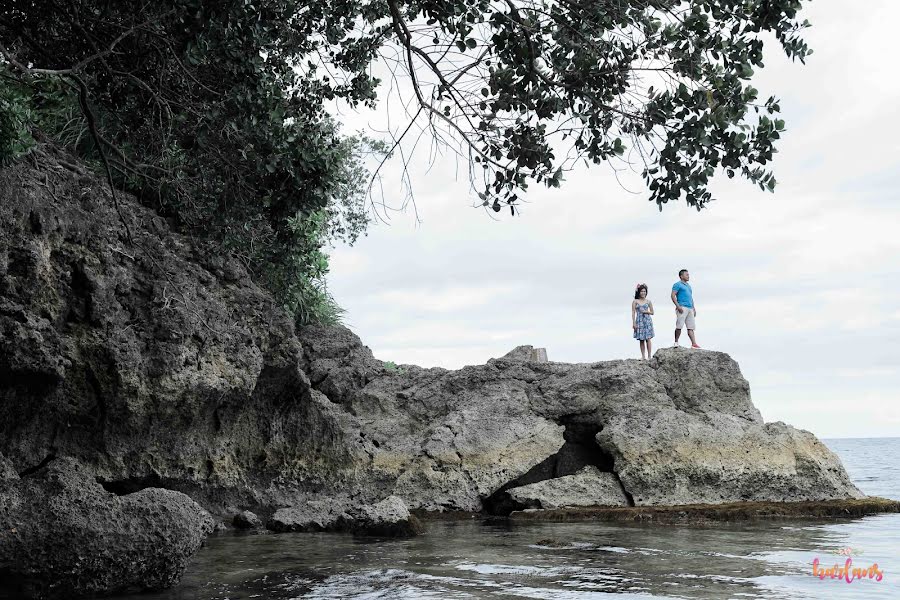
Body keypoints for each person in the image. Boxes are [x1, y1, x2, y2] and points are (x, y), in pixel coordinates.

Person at [671, 269, 700, 348]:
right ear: (681, 276)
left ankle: (694, 344)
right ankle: (676, 342)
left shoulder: (688, 286)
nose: (688, 276)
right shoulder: (677, 284)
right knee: (679, 325)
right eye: (686, 274)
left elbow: (691, 297)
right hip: (682, 307)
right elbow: (673, 295)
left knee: (691, 327)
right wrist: (678, 306)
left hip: (690, 308)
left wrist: (694, 308)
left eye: (688, 274)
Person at [632, 283, 655, 359]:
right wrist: (634, 323)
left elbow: (652, 312)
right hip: (639, 321)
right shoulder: (635, 301)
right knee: (641, 339)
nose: (643, 293)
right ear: (638, 292)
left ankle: (649, 356)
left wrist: (645, 312)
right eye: (641, 291)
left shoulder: (648, 301)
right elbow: (633, 312)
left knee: (648, 339)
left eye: (644, 291)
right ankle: (643, 356)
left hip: (647, 321)